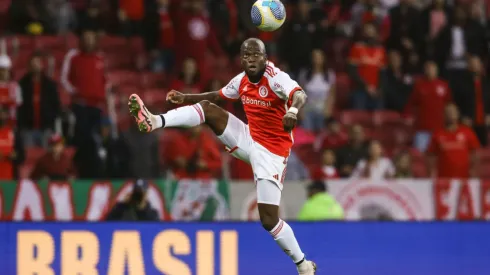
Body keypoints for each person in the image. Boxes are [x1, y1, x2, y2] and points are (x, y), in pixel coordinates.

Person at [128, 38, 317, 274]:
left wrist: (292, 109)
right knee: (209, 109)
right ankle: (155, 121)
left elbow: (300, 95)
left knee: (268, 220)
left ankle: (303, 265)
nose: (251, 59)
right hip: (249, 139)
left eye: (256, 55)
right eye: (246, 56)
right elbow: (219, 96)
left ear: (265, 57)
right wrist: (186, 98)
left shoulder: (276, 78)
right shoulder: (241, 81)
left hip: (272, 153)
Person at [427, 103, 480, 178]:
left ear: (458, 114)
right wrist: (431, 172)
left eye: (453, 111)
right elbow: (430, 155)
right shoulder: (437, 134)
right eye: (448, 112)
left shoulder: (467, 132)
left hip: (464, 178)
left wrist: (473, 170)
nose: (451, 114)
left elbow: (475, 153)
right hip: (443, 179)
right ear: (444, 115)